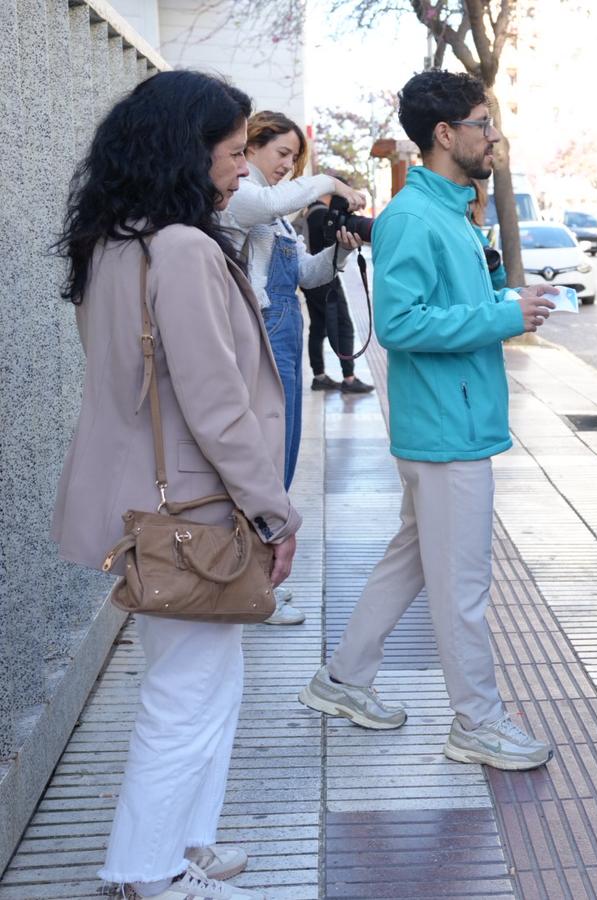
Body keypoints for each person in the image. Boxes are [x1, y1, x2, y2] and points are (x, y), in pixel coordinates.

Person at [51, 70, 298, 900]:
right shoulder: (185, 248)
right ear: (187, 155)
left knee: (200, 676)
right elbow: (217, 404)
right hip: (196, 505)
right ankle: (146, 871)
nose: (243, 172)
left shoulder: (114, 239)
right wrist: (273, 511)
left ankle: (185, 840)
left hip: (143, 503)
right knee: (186, 692)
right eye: (234, 154)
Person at [297, 70, 560, 770]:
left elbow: (449, 303)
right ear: (445, 134)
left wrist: (508, 296)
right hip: (446, 431)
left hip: (447, 423)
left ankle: (343, 678)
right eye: (483, 122)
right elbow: (402, 323)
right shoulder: (415, 217)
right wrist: (506, 314)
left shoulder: (449, 210)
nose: (495, 134)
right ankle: (477, 722)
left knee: (413, 558)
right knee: (463, 585)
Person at [225, 113, 364, 626]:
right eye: (281, 153)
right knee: (265, 459)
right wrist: (328, 181)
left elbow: (305, 274)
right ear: (252, 146)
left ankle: (260, 579)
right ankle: (254, 585)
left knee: (280, 456)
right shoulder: (244, 195)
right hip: (260, 332)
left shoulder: (279, 215)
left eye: (295, 158)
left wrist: (340, 255)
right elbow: (267, 202)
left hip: (282, 333)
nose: (288, 165)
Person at [302, 185, 375, 394]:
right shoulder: (322, 215)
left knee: (317, 327)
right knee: (344, 325)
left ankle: (319, 376)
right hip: (324, 279)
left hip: (310, 282)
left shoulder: (310, 212)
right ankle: (349, 379)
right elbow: (328, 246)